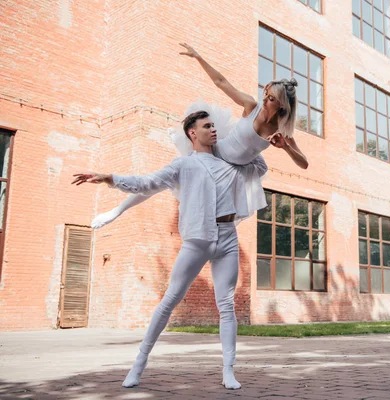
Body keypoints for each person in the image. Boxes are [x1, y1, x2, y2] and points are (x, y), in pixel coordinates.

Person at [72, 110, 267, 390]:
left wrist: (251, 142)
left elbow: (259, 168)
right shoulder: (183, 166)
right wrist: (109, 178)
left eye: (214, 126)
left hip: (227, 239)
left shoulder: (232, 165)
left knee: (226, 306)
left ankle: (228, 370)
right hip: (197, 240)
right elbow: (146, 183)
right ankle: (138, 364)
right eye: (207, 126)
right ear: (192, 133)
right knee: (169, 300)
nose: (214, 130)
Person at [91, 42, 308, 229]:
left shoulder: (283, 129)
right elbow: (222, 83)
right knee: (165, 179)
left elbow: (304, 164)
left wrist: (286, 147)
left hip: (235, 169)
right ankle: (117, 210)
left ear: (282, 105)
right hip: (216, 152)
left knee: (212, 209)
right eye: (266, 93)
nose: (265, 99)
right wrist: (199, 57)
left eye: (271, 98)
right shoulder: (251, 106)